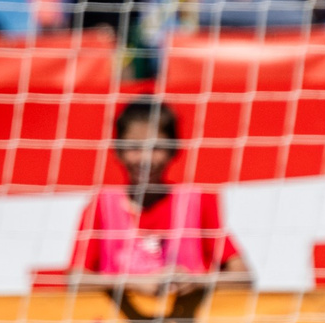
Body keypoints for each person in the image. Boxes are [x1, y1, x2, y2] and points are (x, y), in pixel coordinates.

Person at [69, 99, 251, 298]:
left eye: (156, 148)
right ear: (117, 150)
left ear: (174, 150)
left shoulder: (198, 202)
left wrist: (197, 282)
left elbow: (243, 277)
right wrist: (132, 283)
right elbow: (76, 280)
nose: (145, 159)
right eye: (134, 147)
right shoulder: (101, 206)